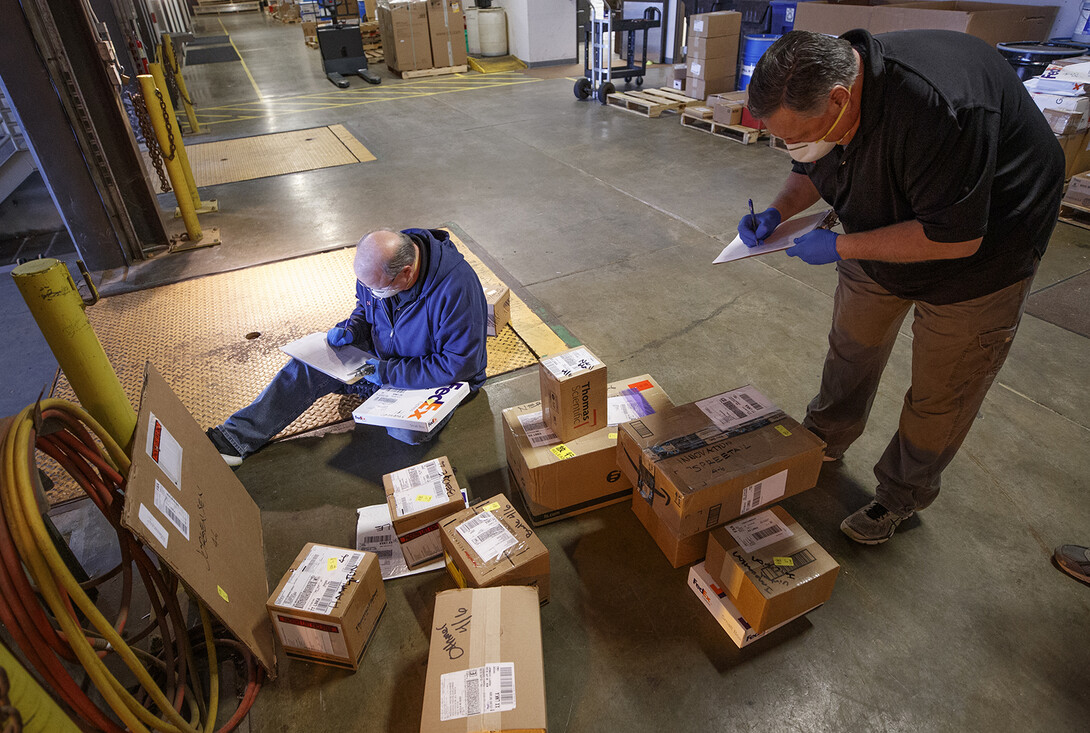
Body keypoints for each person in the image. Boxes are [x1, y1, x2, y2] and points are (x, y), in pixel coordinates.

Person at [738, 30, 1063, 544]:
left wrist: (843, 247)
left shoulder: (943, 110)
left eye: (798, 136)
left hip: (984, 253)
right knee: (852, 348)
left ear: (842, 100)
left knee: (942, 390)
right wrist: (779, 210)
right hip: (888, 223)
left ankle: (900, 496)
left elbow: (952, 239)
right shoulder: (824, 93)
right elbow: (810, 167)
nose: (794, 148)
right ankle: (825, 437)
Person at [206, 228, 488, 465]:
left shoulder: (456, 288)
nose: (372, 292)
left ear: (405, 273)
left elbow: (460, 364)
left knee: (406, 432)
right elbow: (366, 309)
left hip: (434, 376)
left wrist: (388, 372)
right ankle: (233, 438)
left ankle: (378, 391)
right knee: (305, 368)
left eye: (377, 288)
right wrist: (353, 329)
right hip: (385, 359)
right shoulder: (380, 267)